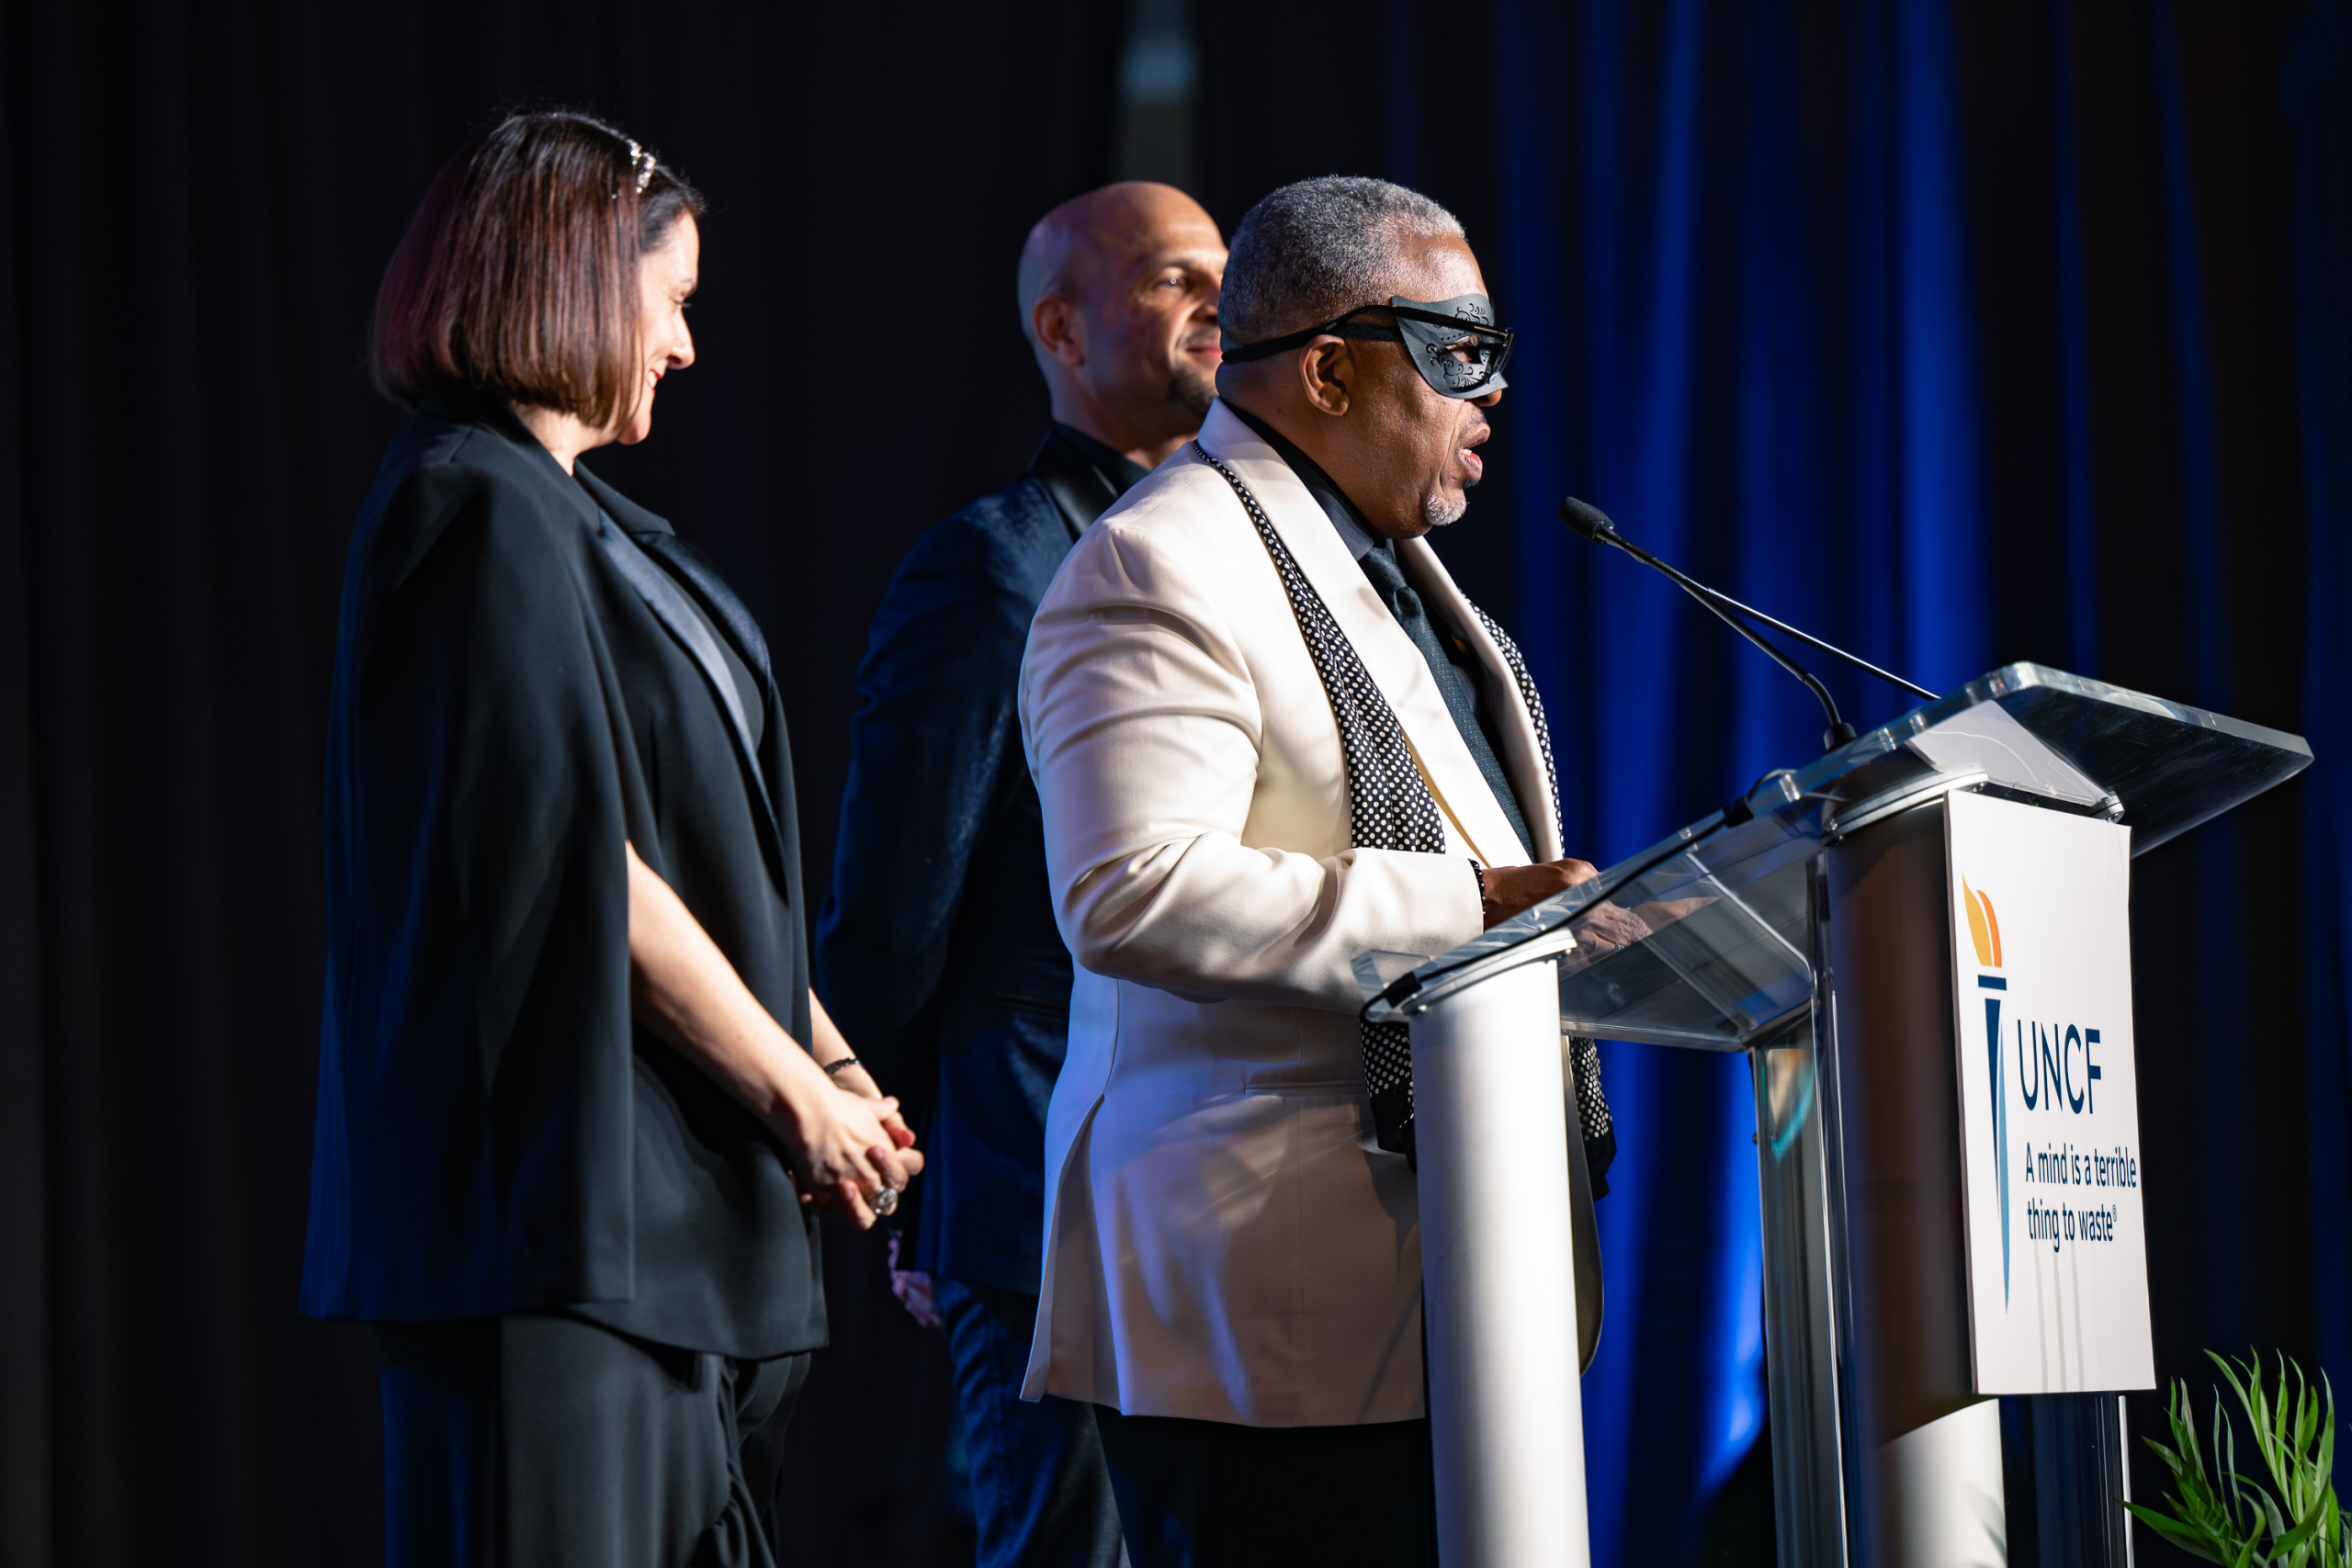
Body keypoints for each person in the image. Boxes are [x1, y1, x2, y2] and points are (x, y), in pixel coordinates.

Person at [299, 110, 920, 1568]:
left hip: (675, 1238)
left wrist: (825, 1059)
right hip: (561, 1219)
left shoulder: (593, 524)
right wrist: (793, 1092)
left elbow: (704, 868)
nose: (688, 347)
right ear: (578, 276)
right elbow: (572, 863)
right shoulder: (467, 502)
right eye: (676, 299)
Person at [1015, 175, 1618, 1568]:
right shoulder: (1155, 563)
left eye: (1497, 352)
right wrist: (1470, 911)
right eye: (1458, 350)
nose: (1493, 394)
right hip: (1270, 1319)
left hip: (1453, 1281)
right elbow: (1130, 890)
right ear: (1330, 370)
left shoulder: (1396, 570)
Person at [817, 181, 1226, 1568]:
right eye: (1176, 277)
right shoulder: (998, 569)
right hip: (1040, 1194)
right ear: (1063, 328)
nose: (1219, 303)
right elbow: (894, 907)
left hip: (1222, 1193)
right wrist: (911, 1164)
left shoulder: (1243, 568)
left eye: (1225, 273)